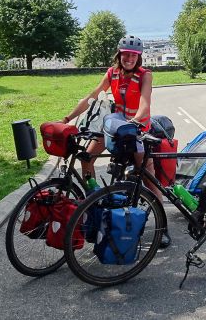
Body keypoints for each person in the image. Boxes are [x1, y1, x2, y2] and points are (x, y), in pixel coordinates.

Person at [61, 35, 171, 248]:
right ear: (119, 55)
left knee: (148, 177)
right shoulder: (111, 73)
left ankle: (162, 227)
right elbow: (91, 97)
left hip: (136, 130)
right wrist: (67, 119)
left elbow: (145, 104)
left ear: (138, 57)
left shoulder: (145, 75)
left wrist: (134, 122)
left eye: (133, 55)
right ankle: (93, 200)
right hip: (114, 127)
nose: (129, 58)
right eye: (125, 54)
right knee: (86, 158)